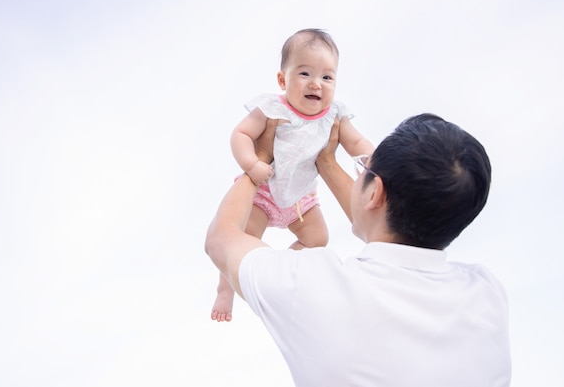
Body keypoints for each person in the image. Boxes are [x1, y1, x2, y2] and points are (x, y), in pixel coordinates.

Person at [205, 113, 511, 386]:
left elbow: (221, 239)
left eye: (362, 168)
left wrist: (260, 157)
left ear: (375, 191)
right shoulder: (487, 295)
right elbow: (394, 233)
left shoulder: (311, 284)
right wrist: (326, 163)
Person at [211, 28, 375, 322]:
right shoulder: (272, 108)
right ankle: (226, 289)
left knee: (318, 238)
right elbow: (241, 135)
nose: (316, 84)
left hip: (301, 200)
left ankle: (281, 268)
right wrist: (251, 164)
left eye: (327, 77)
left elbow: (356, 143)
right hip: (264, 191)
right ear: (282, 80)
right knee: (242, 241)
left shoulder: (335, 115)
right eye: (305, 74)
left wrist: (374, 160)